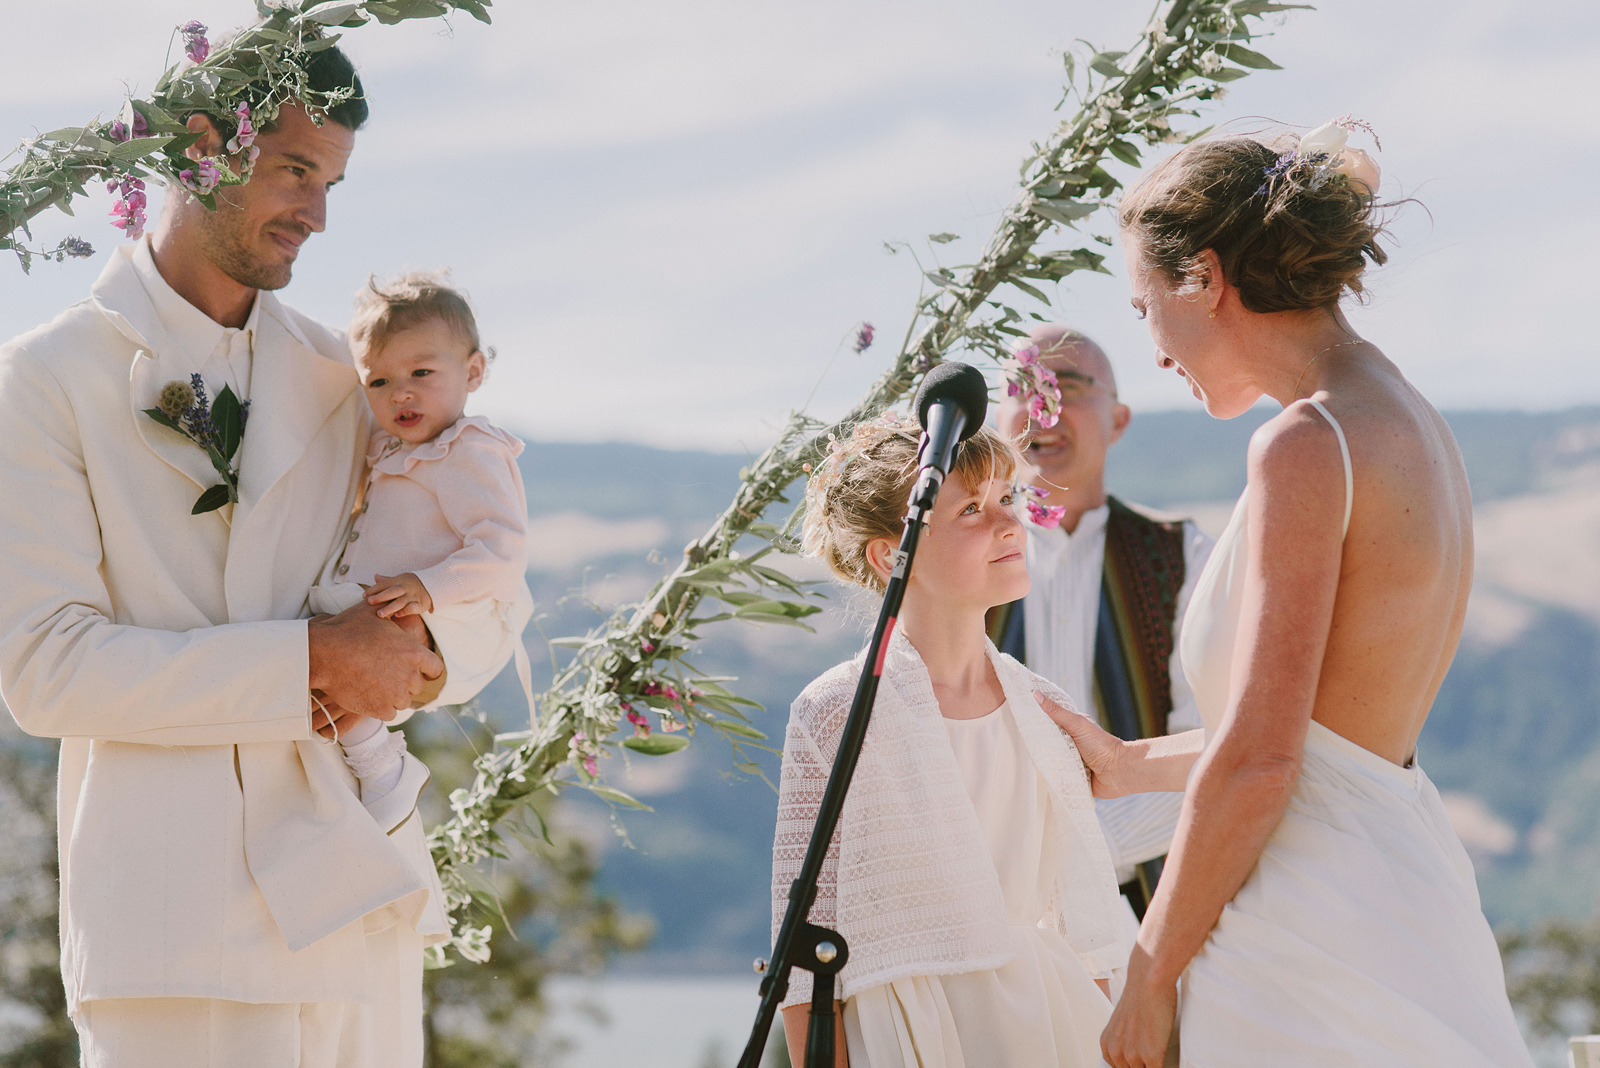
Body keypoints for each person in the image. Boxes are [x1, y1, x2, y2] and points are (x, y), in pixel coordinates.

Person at [0, 50, 526, 1068]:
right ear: (201, 146)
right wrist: (315, 662)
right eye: (294, 171)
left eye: (331, 184)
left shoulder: (353, 376)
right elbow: (45, 671)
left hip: (359, 909)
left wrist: (428, 644)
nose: (317, 216)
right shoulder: (43, 379)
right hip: (177, 934)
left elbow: (489, 567)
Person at [1090, 126, 1535, 1067]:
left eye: (1145, 306)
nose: (1155, 346)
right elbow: (1330, 742)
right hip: (1403, 902)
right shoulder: (1411, 418)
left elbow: (1262, 763)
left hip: (1308, 935)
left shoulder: (1306, 444)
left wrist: (1149, 972)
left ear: (1204, 277)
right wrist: (1127, 762)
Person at [772, 415, 1139, 1067]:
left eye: (1007, 499)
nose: (1007, 524)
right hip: (909, 1034)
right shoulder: (836, 714)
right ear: (892, 554)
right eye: (972, 507)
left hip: (1043, 1022)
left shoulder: (1043, 706)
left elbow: (1081, 917)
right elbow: (802, 956)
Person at [991, 323, 1213, 921]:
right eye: (1025, 388)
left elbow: (1210, 748)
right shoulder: (953, 561)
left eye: (1068, 385)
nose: (1043, 407)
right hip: (989, 911)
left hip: (1149, 913)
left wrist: (1063, 862)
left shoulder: (1183, 555)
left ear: (1118, 420)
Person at [308, 272, 534, 834]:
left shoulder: (469, 450)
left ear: (473, 372)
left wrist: (429, 586)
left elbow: (502, 550)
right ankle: (365, 758)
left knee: (331, 635)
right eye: (379, 381)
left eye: (422, 373)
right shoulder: (388, 443)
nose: (400, 393)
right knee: (316, 651)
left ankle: (381, 764)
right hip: (397, 597)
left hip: (452, 605)